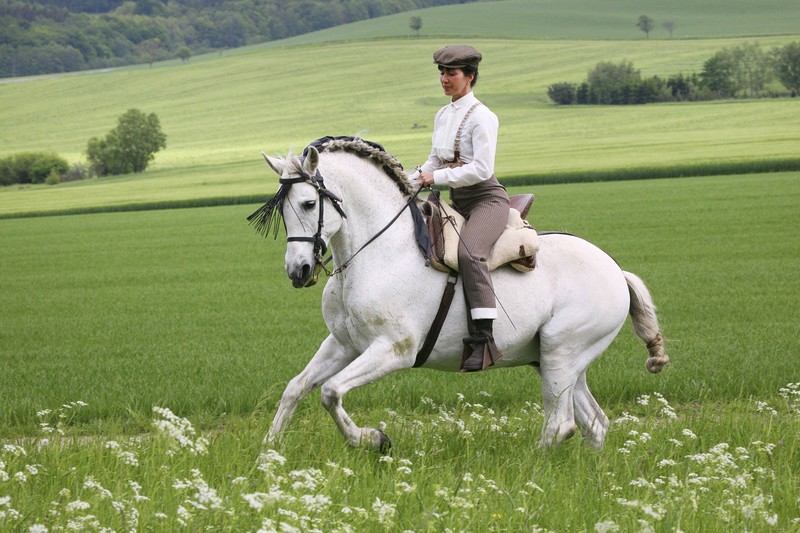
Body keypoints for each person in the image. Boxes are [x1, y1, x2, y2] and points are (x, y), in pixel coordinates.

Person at [416, 45, 510, 372]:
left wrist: (435, 176)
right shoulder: (442, 114)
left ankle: (484, 337)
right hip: (457, 199)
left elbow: (482, 168)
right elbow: (433, 160)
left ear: (469, 76)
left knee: (470, 254)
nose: (444, 79)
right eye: (441, 73)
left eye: (451, 73)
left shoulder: (483, 117)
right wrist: (409, 179)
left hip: (486, 199)